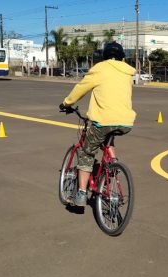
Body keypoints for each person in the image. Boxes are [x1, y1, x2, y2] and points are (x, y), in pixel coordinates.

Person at [59, 42, 136, 206]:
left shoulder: (100, 69)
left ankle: (80, 194)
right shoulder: (127, 72)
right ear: (122, 57)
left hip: (103, 119)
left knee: (87, 154)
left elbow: (81, 88)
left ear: (104, 56)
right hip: (125, 122)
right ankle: (113, 164)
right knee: (109, 138)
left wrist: (66, 103)